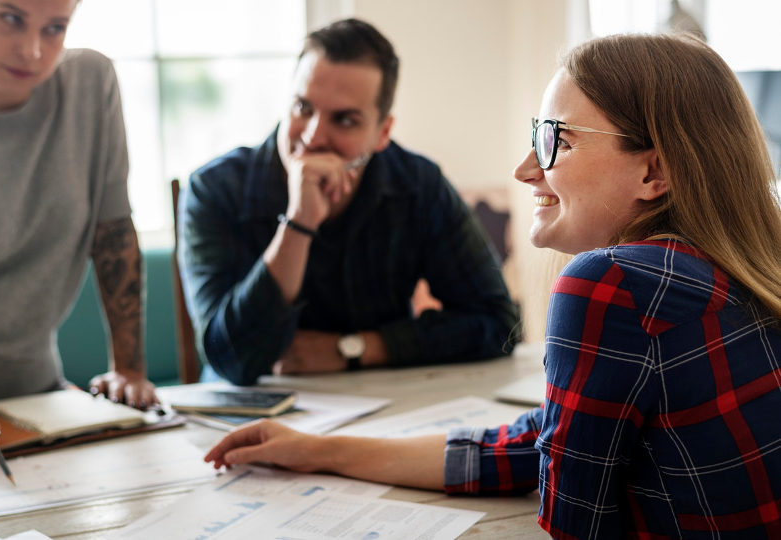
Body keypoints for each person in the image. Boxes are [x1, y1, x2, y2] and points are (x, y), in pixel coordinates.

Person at [204, 32, 781, 539]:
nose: (526, 168)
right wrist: (319, 450)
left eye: (557, 139)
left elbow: (572, 521)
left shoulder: (610, 283)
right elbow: (537, 442)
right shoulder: (735, 264)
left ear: (654, 172)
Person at [179, 18, 521, 385]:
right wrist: (299, 222)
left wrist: (354, 348)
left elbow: (498, 324)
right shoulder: (215, 189)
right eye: (303, 108)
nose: (312, 137)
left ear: (382, 133)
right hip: (247, 415)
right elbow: (230, 361)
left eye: (344, 120)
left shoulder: (417, 185)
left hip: (379, 406)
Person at [0, 0, 157, 470]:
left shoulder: (91, 84)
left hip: (39, 399)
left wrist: (130, 371)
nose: (32, 51)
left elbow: (113, 233)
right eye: (10, 18)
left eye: (55, 28)